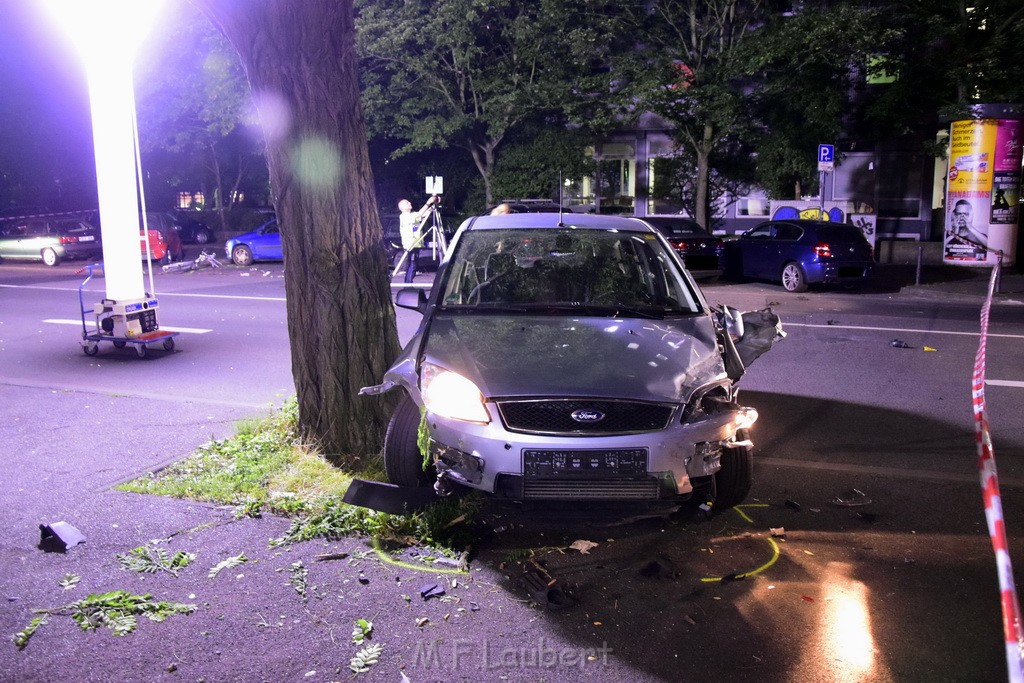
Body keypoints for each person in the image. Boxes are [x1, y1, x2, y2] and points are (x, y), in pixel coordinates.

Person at [398, 195, 437, 283]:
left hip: (415, 244)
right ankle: (408, 284)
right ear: (403, 207)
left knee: (414, 265)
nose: (410, 203)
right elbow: (420, 213)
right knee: (412, 265)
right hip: (410, 245)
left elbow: (422, 215)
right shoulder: (404, 216)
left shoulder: (412, 215)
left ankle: (408, 283)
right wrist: (428, 202)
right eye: (407, 203)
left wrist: (432, 207)